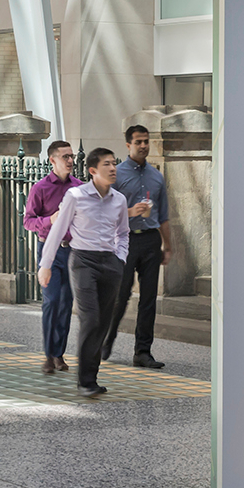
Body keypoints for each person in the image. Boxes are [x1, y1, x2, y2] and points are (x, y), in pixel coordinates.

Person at [37, 147, 129, 397]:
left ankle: (92, 377)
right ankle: (85, 381)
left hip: (110, 262)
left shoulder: (119, 200)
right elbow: (57, 230)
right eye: (107, 164)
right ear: (92, 170)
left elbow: (123, 233)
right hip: (83, 261)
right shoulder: (75, 196)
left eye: (114, 163)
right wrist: (45, 265)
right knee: (91, 318)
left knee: (104, 322)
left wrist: (120, 258)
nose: (113, 168)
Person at [103, 124, 170, 369]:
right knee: (120, 295)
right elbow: (106, 211)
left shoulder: (156, 176)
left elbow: (163, 215)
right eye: (138, 141)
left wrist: (168, 246)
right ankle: (106, 339)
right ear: (128, 144)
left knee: (149, 298)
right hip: (124, 240)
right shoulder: (116, 174)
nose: (143, 146)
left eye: (146, 141)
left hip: (151, 240)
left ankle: (143, 351)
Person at [23, 140, 83, 374]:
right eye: (65, 157)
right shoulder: (40, 188)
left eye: (71, 157)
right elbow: (28, 221)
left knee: (66, 303)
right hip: (48, 249)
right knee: (51, 301)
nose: (70, 161)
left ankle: (59, 354)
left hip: (72, 251)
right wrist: (50, 220)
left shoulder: (78, 188)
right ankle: (48, 354)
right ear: (52, 160)